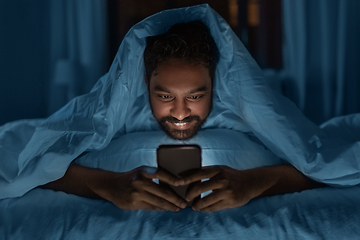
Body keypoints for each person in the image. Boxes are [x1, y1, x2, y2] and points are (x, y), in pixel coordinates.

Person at [41, 20, 324, 212]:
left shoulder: (245, 114)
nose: (179, 113)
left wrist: (254, 182)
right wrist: (108, 185)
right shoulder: (115, 113)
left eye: (195, 96)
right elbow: (34, 164)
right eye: (164, 96)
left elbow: (322, 166)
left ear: (215, 84)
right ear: (145, 84)